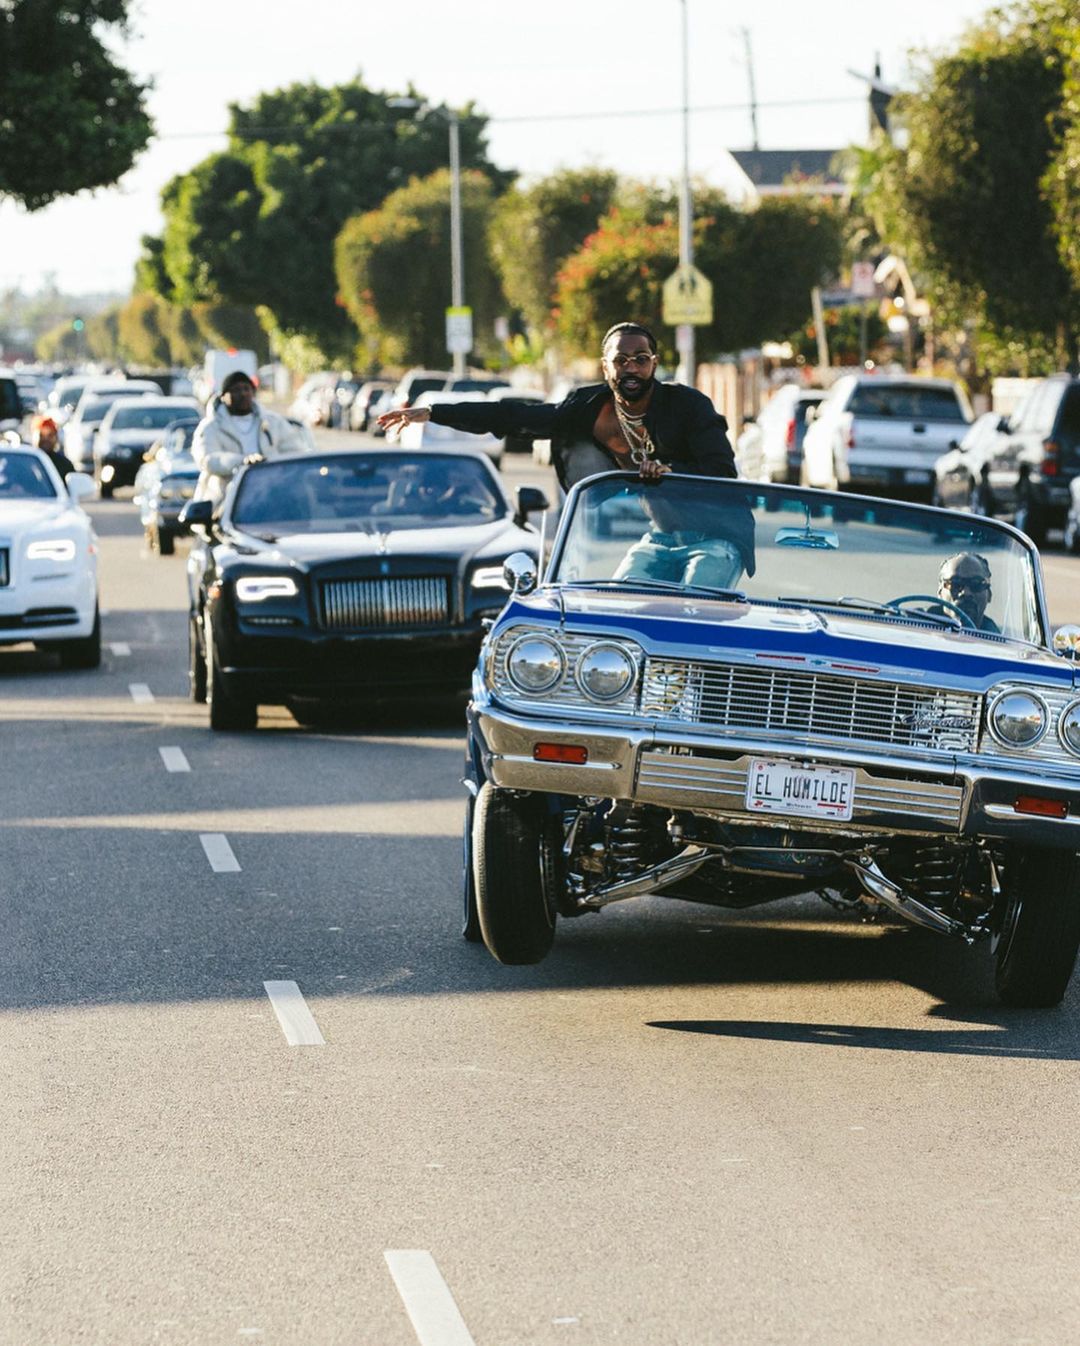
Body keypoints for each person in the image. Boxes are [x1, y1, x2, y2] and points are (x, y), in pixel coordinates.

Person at [377, 321, 738, 491]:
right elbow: (515, 416)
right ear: (605, 366)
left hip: (713, 535)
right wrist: (435, 412)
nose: (631, 368)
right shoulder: (587, 408)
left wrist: (672, 470)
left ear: (655, 364)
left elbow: (723, 472)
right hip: (660, 536)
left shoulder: (689, 406)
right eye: (621, 360)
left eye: (641, 359)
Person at [191, 371, 310, 506]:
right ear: (224, 396)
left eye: (246, 389)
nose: (242, 394)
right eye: (236, 390)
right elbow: (208, 460)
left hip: (273, 499)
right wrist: (243, 462)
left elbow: (296, 453)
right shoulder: (210, 427)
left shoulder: (273, 422)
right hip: (226, 504)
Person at [937, 552, 1000, 632]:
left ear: (989, 594)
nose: (966, 593)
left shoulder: (999, 643)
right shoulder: (917, 628)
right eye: (955, 583)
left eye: (976, 584)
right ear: (940, 592)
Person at [31, 415, 76, 481]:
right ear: (33, 436)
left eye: (50, 435)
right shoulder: (24, 462)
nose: (46, 439)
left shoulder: (64, 465)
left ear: (56, 438)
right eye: (41, 435)